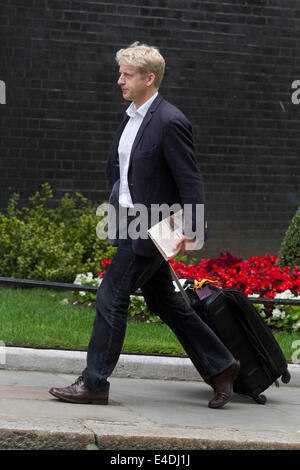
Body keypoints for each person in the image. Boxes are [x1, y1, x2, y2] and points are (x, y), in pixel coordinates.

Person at [49, 42, 240, 409]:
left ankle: (94, 383)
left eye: (127, 75)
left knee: (111, 295)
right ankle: (221, 364)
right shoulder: (133, 115)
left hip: (154, 227)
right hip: (129, 221)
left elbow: (190, 180)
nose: (119, 80)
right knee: (163, 300)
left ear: (149, 78)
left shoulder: (170, 121)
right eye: (120, 73)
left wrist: (191, 230)